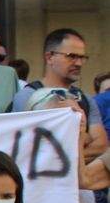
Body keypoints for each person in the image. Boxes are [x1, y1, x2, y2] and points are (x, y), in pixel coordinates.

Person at [12, 28, 108, 159]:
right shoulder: (27, 96)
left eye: (82, 57)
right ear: (50, 57)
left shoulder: (85, 98)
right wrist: (85, 137)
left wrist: (64, 154)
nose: (79, 63)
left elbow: (101, 145)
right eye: (71, 56)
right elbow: (34, 145)